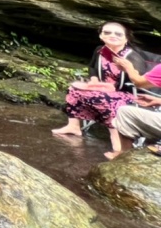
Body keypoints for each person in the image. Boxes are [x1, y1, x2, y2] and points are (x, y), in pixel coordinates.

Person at [51, 21, 147, 158]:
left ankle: (118, 145)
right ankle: (73, 126)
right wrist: (94, 79)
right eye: (107, 32)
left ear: (126, 38)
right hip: (102, 89)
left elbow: (139, 81)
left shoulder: (132, 57)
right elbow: (92, 68)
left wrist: (112, 87)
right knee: (74, 89)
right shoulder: (99, 50)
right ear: (101, 35)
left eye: (118, 34)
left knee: (104, 99)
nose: (112, 35)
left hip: (127, 93)